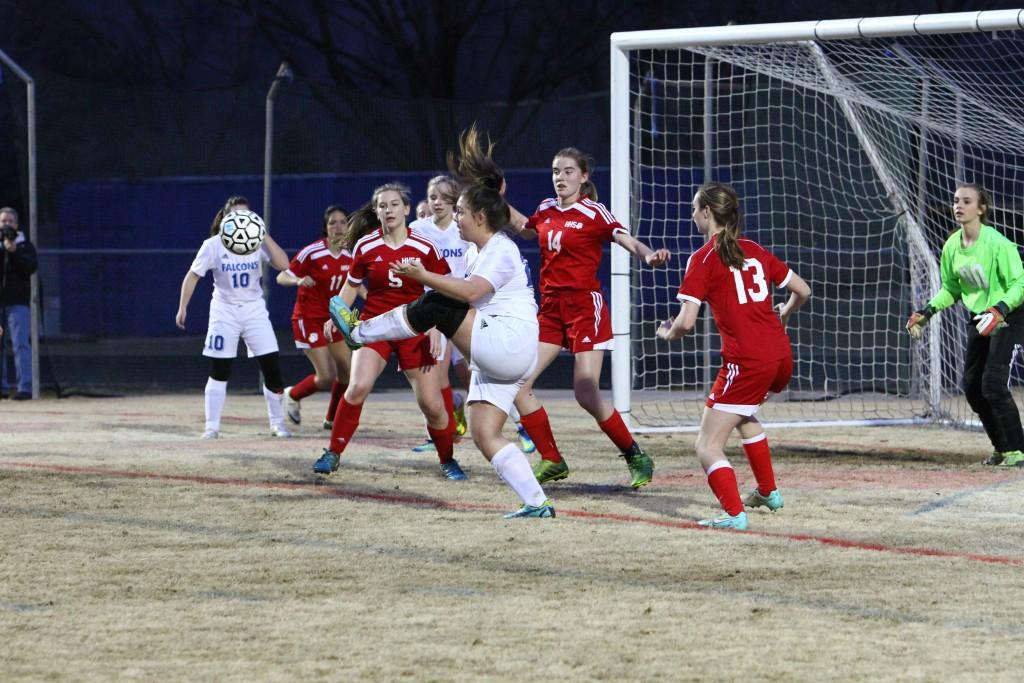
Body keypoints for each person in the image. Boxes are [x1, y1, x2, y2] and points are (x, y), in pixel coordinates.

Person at [330, 183, 554, 518]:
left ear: (479, 217)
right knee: (484, 433)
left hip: (506, 343)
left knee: (436, 305)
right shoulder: (474, 251)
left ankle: (360, 331)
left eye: (461, 212)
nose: (456, 218)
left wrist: (423, 275)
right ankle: (538, 502)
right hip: (500, 354)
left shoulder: (499, 249)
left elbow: (468, 292)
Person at [509, 147, 671, 488]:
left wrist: (648, 256)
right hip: (551, 309)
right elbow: (526, 229)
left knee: (585, 392)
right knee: (518, 385)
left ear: (583, 177)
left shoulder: (593, 211)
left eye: (568, 171)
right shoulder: (546, 208)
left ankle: (635, 456)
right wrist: (498, 201)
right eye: (556, 171)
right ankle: (552, 459)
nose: (560, 178)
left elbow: (625, 239)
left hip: (585, 307)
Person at [657, 182, 810, 530]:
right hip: (780, 358)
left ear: (708, 213)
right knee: (744, 414)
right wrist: (784, 313)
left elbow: (686, 323)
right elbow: (803, 290)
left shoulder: (703, 258)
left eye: (695, 208)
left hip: (748, 362)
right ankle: (768, 491)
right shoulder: (754, 249)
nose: (691, 214)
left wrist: (667, 332)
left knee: (707, 444)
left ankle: (733, 514)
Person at [311, 183, 466, 480]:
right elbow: (351, 286)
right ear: (376, 211)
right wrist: (337, 315)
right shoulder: (366, 246)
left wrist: (436, 328)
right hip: (375, 328)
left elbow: (442, 288)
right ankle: (333, 452)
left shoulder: (424, 247)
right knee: (357, 387)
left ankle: (447, 460)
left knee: (433, 406)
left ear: (406, 209)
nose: (389, 210)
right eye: (383, 206)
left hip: (414, 328)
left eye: (395, 205)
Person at [906, 183, 1024, 468]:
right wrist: (927, 311)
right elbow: (951, 289)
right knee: (972, 387)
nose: (959, 206)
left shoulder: (997, 244)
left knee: (992, 383)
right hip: (980, 317)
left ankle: (1019, 451)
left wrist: (1000, 309)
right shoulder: (951, 246)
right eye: (956, 200)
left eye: (967, 201)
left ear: (981, 209)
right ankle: (1002, 448)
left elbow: (1019, 283)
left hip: (1009, 315)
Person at [175, 196, 293, 439]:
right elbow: (193, 275)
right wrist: (182, 307)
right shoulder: (214, 245)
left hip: (253, 309)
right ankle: (212, 427)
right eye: (235, 216)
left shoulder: (256, 242)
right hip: (224, 310)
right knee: (220, 368)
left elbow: (284, 264)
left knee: (271, 367)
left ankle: (278, 424)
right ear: (226, 219)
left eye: (247, 216)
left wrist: (263, 234)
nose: (242, 221)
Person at [276, 205, 354, 430]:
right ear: (325, 227)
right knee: (327, 376)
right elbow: (283, 276)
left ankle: (331, 419)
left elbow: (354, 284)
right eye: (333, 223)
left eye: (342, 222)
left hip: (335, 319)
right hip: (308, 318)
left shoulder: (351, 254)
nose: (338, 227)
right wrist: (298, 281)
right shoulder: (312, 252)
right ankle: (293, 394)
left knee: (347, 371)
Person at [0, 207, 38, 400]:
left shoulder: (25, 246)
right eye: (3, 221)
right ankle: (2, 387)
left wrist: (13, 251)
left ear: (17, 224)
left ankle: (25, 387)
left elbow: (30, 267)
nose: (6, 225)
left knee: (20, 344)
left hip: (17, 303)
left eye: (10, 222)